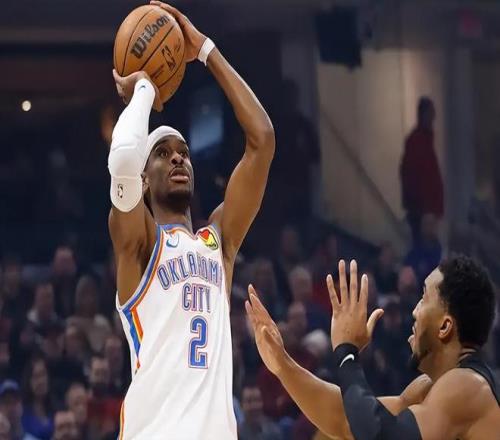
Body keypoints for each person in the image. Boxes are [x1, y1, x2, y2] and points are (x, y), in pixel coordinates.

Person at [108, 1, 275, 438]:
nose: (178, 158)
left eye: (183, 152)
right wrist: (145, 90)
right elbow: (123, 159)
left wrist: (204, 50)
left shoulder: (219, 241)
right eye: (163, 154)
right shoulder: (140, 242)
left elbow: (262, 139)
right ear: (144, 180)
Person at [246, 256, 500, 439]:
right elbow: (346, 420)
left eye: (424, 298)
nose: (414, 311)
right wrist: (283, 365)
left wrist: (346, 353)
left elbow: (380, 435)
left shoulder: (467, 386)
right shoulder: (429, 388)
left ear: (445, 326)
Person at [400, 97, 444, 243]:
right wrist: (421, 207)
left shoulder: (425, 141)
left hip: (426, 209)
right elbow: (412, 176)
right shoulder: (416, 142)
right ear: (423, 115)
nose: (433, 119)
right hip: (422, 209)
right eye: (430, 114)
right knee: (424, 245)